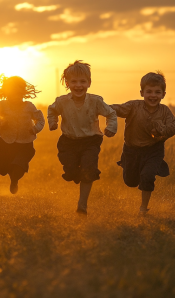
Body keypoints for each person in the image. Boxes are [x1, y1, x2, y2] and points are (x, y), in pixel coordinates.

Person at [47, 60, 117, 215]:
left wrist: (111, 127)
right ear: (67, 83)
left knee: (88, 169)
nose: (78, 85)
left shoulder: (96, 101)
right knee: (70, 171)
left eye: (82, 81)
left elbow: (111, 113)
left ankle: (82, 205)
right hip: (68, 141)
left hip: (90, 141)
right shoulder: (62, 102)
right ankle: (74, 172)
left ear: (89, 83)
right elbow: (51, 111)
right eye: (74, 82)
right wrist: (53, 122)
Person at [110, 71, 175, 216]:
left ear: (163, 94)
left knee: (148, 176)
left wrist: (164, 130)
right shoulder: (133, 106)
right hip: (131, 150)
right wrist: (100, 107)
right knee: (130, 181)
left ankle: (143, 208)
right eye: (149, 91)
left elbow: (173, 126)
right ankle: (126, 162)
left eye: (157, 92)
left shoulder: (165, 111)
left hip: (154, 150)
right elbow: (118, 109)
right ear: (142, 92)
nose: (153, 95)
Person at [0, 75, 45, 194]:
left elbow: (40, 119)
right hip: (6, 142)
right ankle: (11, 174)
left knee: (19, 164)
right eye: (11, 93)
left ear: (23, 93)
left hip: (25, 144)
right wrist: (1, 122)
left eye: (18, 93)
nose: (15, 97)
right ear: (6, 93)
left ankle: (14, 180)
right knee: (3, 169)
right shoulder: (2, 105)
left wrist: (35, 129)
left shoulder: (29, 106)